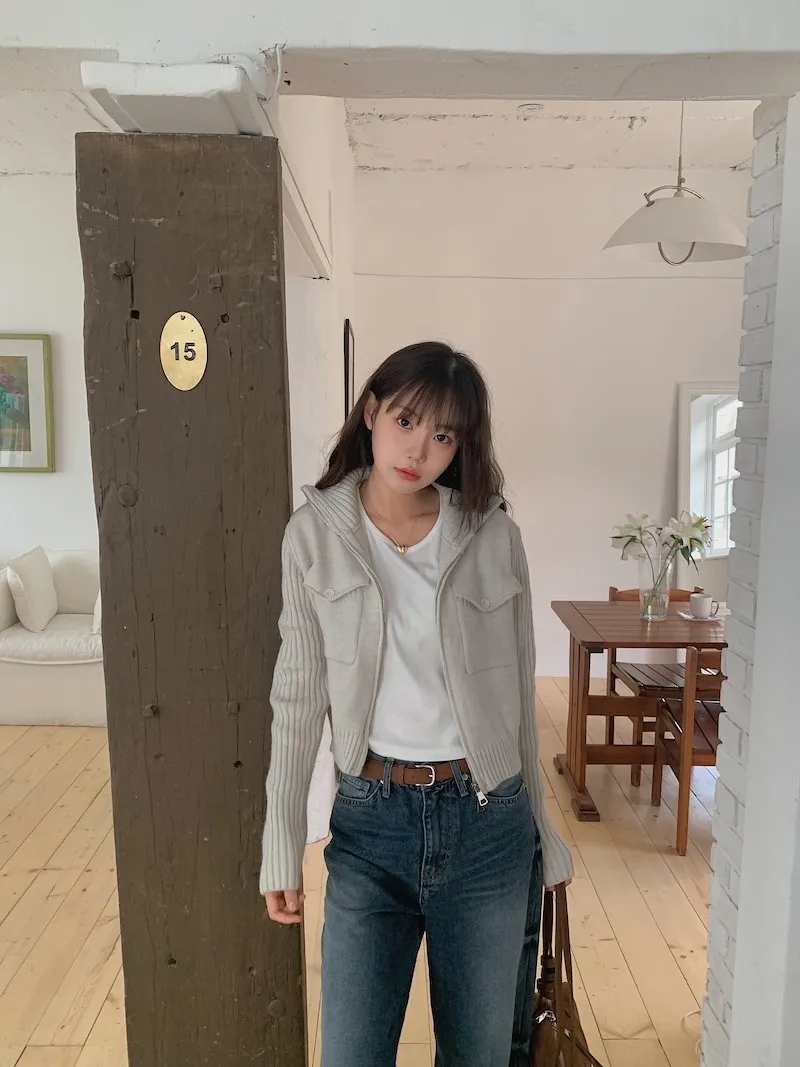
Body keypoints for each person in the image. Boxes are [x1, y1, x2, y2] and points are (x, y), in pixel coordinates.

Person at [260, 341, 573, 1067]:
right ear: (372, 411)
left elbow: (517, 698)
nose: (418, 450)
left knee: (478, 1055)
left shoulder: (493, 534)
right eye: (405, 420)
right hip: (370, 825)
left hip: (487, 825)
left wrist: (543, 832)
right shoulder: (313, 536)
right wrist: (281, 841)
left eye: (443, 435)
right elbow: (296, 696)